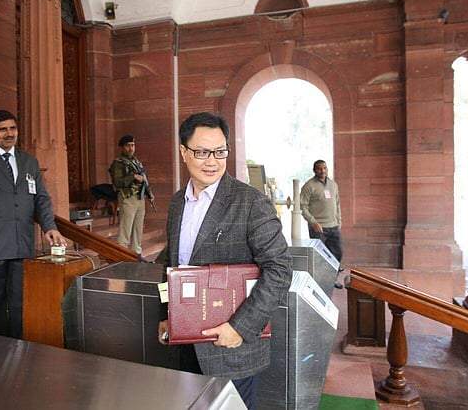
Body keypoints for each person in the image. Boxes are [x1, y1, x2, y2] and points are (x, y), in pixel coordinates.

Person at [156, 112, 293, 409]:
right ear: (183, 152)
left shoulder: (251, 202)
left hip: (231, 348)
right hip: (185, 341)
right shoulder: (178, 203)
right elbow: (169, 264)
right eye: (202, 152)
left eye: (220, 152)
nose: (212, 161)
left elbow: (280, 270)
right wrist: (166, 314)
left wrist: (240, 328)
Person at [0, 109, 66, 339]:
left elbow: (41, 199)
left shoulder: (29, 161)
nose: (9, 134)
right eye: (3, 129)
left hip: (22, 246)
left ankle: (20, 351)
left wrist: (49, 226)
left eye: (13, 128)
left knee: (22, 306)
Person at [300, 159, 344, 289]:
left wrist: (339, 221)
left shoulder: (333, 185)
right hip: (318, 228)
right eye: (319, 168)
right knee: (320, 257)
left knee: (337, 253)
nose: (322, 171)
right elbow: (302, 207)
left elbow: (337, 204)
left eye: (324, 168)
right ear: (314, 170)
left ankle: (332, 279)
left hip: (333, 226)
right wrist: (313, 222)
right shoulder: (309, 186)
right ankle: (321, 283)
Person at [109, 135, 154, 260]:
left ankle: (136, 254)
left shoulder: (136, 162)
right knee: (126, 228)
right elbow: (118, 182)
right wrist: (133, 177)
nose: (131, 148)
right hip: (127, 197)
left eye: (133, 145)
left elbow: (144, 180)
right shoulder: (118, 163)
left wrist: (149, 194)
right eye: (128, 146)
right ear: (122, 147)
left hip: (139, 197)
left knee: (138, 228)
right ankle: (121, 254)